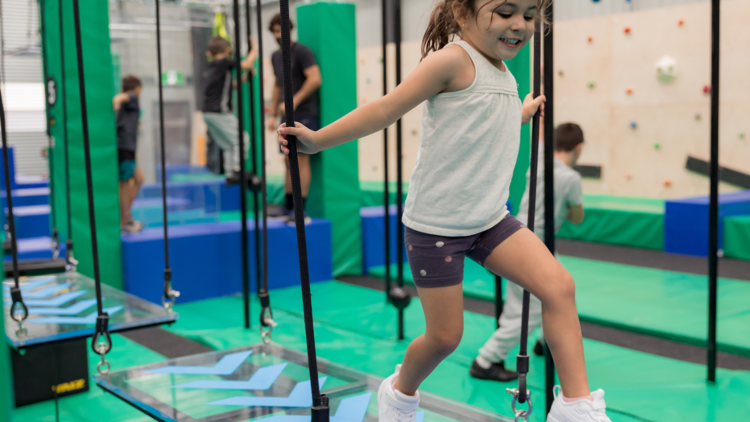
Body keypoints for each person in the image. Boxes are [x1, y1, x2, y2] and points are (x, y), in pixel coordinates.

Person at [278, 0, 612, 420]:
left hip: (490, 220)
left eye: (529, 15)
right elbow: (385, 109)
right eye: (506, 12)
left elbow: (484, 121)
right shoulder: (452, 60)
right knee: (444, 338)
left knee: (559, 287)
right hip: (437, 226)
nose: (520, 25)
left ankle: (575, 407)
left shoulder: (505, 72)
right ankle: (399, 393)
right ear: (462, 11)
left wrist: (521, 113)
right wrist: (318, 139)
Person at [471, 122, 586, 382]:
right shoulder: (570, 177)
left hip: (517, 231)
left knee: (561, 289)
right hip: (536, 241)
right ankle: (486, 359)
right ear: (578, 147)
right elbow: (577, 217)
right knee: (530, 308)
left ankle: (545, 341)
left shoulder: (539, 164)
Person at [267, 13, 321, 223]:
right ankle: (288, 206)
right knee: (287, 160)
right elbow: (277, 85)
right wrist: (272, 114)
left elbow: (315, 79)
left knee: (300, 158)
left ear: (289, 30)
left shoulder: (302, 51)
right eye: (274, 31)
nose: (277, 35)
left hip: (304, 113)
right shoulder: (274, 56)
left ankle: (302, 210)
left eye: (280, 30)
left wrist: (295, 101)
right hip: (284, 114)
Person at [202, 35, 257, 186]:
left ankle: (229, 173)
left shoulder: (213, 66)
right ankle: (237, 169)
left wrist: (245, 78)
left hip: (207, 113)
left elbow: (228, 86)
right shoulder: (224, 62)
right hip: (219, 112)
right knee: (242, 139)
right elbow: (246, 64)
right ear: (227, 50)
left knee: (227, 144)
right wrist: (255, 50)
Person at [113, 75, 144, 234]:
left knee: (139, 179)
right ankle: (123, 221)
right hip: (125, 147)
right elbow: (124, 96)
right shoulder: (133, 97)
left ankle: (126, 216)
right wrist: (118, 99)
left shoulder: (128, 108)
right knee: (124, 184)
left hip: (128, 147)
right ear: (138, 88)